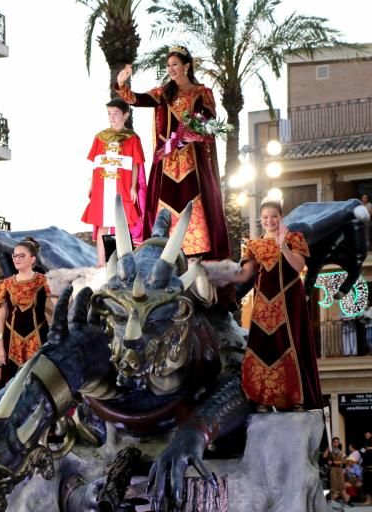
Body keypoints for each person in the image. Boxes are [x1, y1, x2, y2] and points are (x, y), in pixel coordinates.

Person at [115, 47, 229, 257]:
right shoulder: (163, 92)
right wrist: (122, 83)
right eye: (168, 65)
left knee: (194, 202)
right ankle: (164, 252)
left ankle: (198, 254)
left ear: (186, 66)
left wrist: (197, 134)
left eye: (175, 64)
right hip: (166, 162)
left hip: (192, 160)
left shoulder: (202, 93)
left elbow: (210, 125)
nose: (171, 69)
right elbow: (136, 99)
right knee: (163, 205)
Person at [227, 199, 322, 411]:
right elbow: (246, 275)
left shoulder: (294, 238)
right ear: (261, 220)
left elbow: (298, 266)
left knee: (289, 344)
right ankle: (262, 399)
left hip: (288, 302)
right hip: (262, 304)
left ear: (281, 218)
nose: (270, 220)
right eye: (266, 217)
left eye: (274, 216)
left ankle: (292, 398)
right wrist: (217, 274)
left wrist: (282, 246)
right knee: (261, 348)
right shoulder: (253, 245)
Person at [81, 98, 146, 263]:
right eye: (109, 114)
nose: (112, 117)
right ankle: (101, 264)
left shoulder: (132, 138)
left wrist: (133, 188)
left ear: (126, 115)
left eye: (116, 113)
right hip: (102, 188)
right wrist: (91, 186)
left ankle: (122, 262)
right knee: (102, 223)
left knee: (121, 223)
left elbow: (135, 165)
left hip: (122, 186)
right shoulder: (100, 137)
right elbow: (96, 163)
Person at [0, 236, 51, 381]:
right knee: (11, 386)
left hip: (40, 338)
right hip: (11, 341)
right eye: (14, 255)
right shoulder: (5, 285)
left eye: (21, 256)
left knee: (39, 381)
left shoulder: (44, 281)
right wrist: (0, 346)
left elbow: (53, 311)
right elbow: (1, 317)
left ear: (32, 259)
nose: (16, 259)